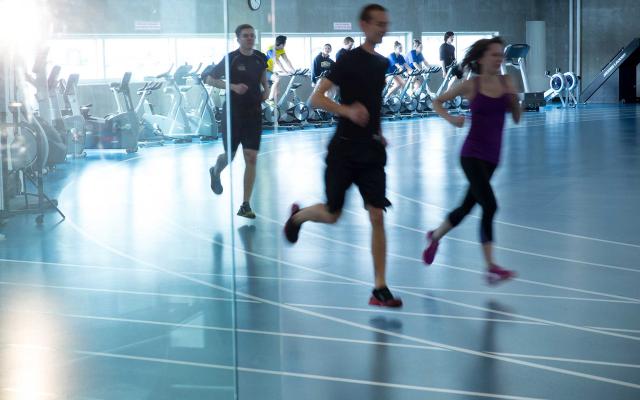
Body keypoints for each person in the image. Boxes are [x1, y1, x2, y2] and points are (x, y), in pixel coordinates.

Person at [283, 4, 402, 308]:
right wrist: (347, 110)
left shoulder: (382, 63)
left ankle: (379, 288)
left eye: (386, 24)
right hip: (344, 150)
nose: (383, 28)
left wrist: (377, 130)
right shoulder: (346, 60)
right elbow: (316, 97)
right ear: (364, 25)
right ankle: (298, 216)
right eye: (378, 23)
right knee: (333, 214)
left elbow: (373, 106)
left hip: (372, 151)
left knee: (376, 214)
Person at [423, 36, 522, 284]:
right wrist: (451, 119)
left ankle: (435, 236)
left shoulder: (507, 81)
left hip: (493, 158)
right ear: (481, 59)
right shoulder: (470, 85)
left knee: (467, 207)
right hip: (471, 155)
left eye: (501, 55)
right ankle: (491, 266)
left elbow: (517, 118)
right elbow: (436, 101)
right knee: (490, 205)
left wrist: (515, 98)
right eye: (494, 55)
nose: (499, 59)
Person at [206, 24, 269, 219]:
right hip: (233, 113)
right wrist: (232, 86)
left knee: (251, 157)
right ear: (238, 39)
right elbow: (209, 79)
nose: (250, 38)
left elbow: (263, 81)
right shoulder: (231, 58)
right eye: (246, 36)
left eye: (252, 35)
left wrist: (266, 91)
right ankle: (215, 171)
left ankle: (245, 204)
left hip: (254, 113)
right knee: (230, 155)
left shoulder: (260, 58)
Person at [266, 35, 296, 103]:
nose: (285, 46)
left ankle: (273, 106)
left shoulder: (281, 49)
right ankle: (269, 99)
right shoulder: (270, 49)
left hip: (270, 71)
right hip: (263, 70)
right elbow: (277, 62)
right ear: (281, 44)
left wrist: (293, 70)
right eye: (285, 44)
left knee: (277, 93)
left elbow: (286, 60)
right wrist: (285, 72)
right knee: (277, 79)